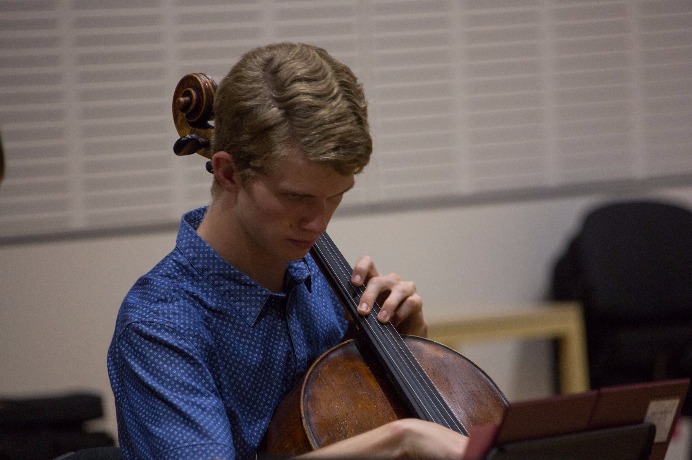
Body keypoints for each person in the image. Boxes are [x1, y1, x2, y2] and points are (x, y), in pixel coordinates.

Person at [107, 42, 469, 459]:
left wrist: (406, 349)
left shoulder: (325, 284)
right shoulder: (160, 323)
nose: (319, 224)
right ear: (228, 172)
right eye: (296, 197)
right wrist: (401, 438)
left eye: (335, 196)